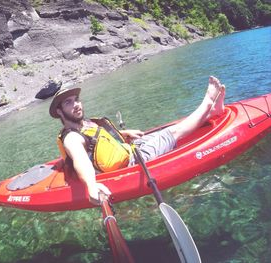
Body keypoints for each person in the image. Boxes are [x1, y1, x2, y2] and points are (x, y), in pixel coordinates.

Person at [49, 76, 226, 205]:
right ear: (59, 112)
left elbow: (99, 140)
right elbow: (80, 159)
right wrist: (91, 187)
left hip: (128, 149)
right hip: (130, 164)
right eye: (68, 103)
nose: (77, 105)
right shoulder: (71, 137)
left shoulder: (84, 124)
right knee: (173, 132)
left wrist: (123, 134)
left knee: (162, 132)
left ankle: (213, 113)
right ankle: (208, 102)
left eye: (77, 100)